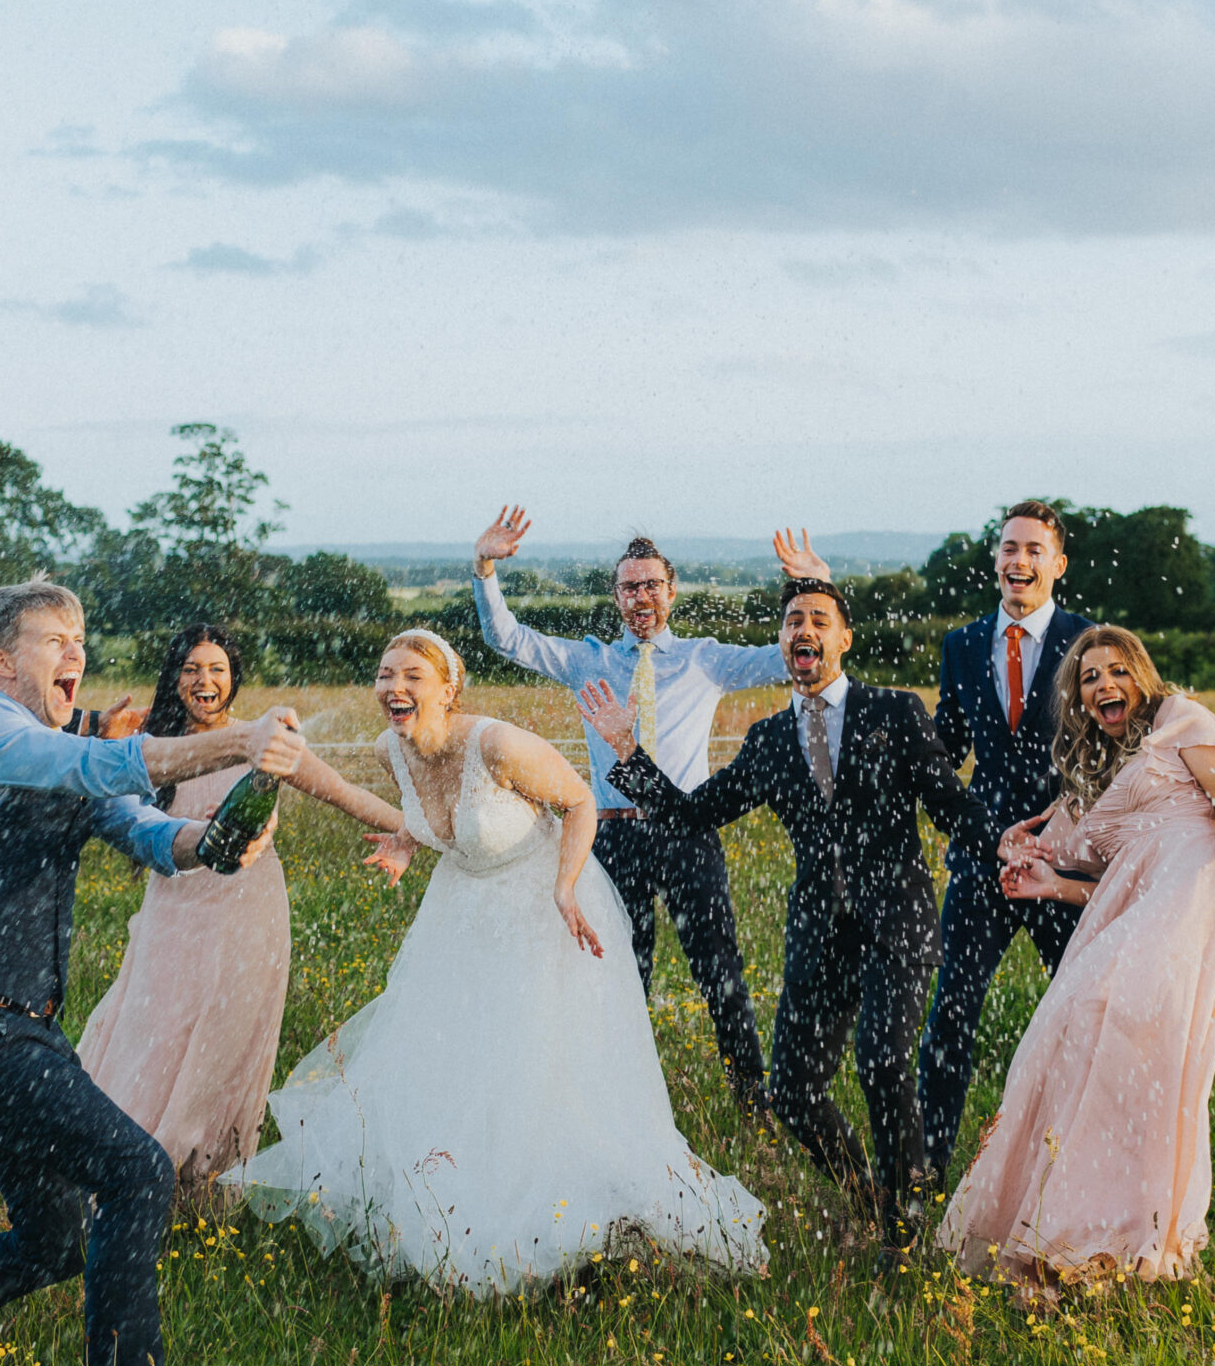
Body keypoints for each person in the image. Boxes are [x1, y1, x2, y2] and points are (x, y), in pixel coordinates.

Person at [0, 582, 309, 1366]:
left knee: (55, 1237)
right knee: (139, 1170)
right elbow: (103, 769)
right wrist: (240, 739)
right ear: (0, 660)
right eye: (55, 639)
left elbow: (145, 830)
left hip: (15, 1030)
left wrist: (213, 845)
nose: (77, 655)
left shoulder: (58, 751)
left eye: (82, 639)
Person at [226, 629, 768, 1295]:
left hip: (543, 908)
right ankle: (454, 1203)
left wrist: (565, 886)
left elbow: (576, 800)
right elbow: (430, 818)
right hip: (459, 915)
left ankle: (570, 1213)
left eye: (412, 676)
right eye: (384, 673)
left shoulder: (497, 743)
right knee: (453, 1060)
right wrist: (405, 837)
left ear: (448, 689)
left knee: (536, 1065)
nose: (394, 687)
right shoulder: (389, 747)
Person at [581, 580, 990, 1254]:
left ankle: (905, 1216)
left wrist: (1010, 844)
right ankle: (868, 1191)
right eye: (793, 620)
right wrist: (629, 754)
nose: (805, 630)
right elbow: (691, 815)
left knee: (883, 1060)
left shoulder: (896, 710)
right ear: (783, 643)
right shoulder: (769, 738)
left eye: (819, 620)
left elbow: (953, 807)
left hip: (898, 924)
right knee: (796, 1094)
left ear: (843, 638)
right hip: (818, 933)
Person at [933, 626, 1215, 1309]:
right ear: (1078, 696)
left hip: (1192, 887)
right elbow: (1106, 882)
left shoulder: (1179, 719)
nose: (1105, 685)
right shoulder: (1084, 780)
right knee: (1079, 1038)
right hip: (1124, 907)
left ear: (1142, 676)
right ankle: (1085, 1234)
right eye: (1090, 676)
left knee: (1110, 1022)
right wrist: (1046, 885)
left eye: (1117, 671)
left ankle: (1105, 1234)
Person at [471, 512, 831, 1116]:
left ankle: (751, 1096)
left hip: (689, 832)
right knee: (619, 971)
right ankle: (617, 1095)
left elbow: (800, 657)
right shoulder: (588, 660)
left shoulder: (705, 659)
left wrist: (815, 587)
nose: (642, 596)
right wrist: (483, 570)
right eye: (629, 587)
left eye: (652, 585)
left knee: (719, 968)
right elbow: (507, 638)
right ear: (616, 597)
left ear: (672, 591)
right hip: (611, 839)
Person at [77, 623, 405, 1182]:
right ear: (173, 678)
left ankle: (202, 1172)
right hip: (175, 910)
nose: (204, 681)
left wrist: (421, 832)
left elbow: (347, 795)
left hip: (248, 913)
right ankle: (127, 1163)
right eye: (191, 670)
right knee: (154, 1025)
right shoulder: (151, 748)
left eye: (217, 670)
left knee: (227, 1038)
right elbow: (120, 815)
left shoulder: (264, 742)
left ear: (234, 679)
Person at [916, 501, 1097, 1186]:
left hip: (1067, 858)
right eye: (1007, 547)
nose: (1017, 560)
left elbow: (1119, 743)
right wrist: (964, 828)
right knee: (950, 1014)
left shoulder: (1089, 642)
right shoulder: (961, 643)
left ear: (1057, 563)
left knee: (1082, 1009)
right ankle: (926, 1173)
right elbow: (947, 751)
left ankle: (1081, 1163)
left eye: (1032, 549)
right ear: (994, 559)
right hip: (984, 858)